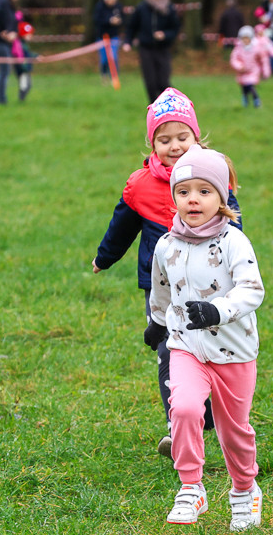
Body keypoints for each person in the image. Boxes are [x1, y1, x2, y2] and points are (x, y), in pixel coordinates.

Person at [92, 88, 242, 459]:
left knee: (213, 345)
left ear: (196, 136)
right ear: (152, 142)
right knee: (168, 348)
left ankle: (217, 412)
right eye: (164, 139)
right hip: (162, 285)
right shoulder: (140, 184)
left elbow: (234, 219)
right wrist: (104, 258)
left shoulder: (212, 170)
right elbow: (122, 226)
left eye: (182, 137)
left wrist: (236, 258)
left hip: (211, 281)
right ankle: (179, 423)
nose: (174, 146)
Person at [145, 144, 264, 531]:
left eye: (204, 191)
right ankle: (191, 487)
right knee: (182, 410)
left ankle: (244, 491)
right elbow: (161, 289)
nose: (193, 199)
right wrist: (157, 322)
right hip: (186, 348)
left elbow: (252, 290)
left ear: (222, 195)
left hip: (234, 352)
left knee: (234, 431)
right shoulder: (166, 245)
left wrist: (218, 310)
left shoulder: (233, 242)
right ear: (174, 196)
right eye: (183, 191)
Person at [124, 0, 182, 103]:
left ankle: (170, 106)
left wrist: (165, 35)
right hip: (146, 49)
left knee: (163, 82)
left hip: (163, 49)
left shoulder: (169, 8)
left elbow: (175, 28)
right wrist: (127, 41)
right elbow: (132, 26)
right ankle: (154, 108)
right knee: (150, 82)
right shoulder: (141, 8)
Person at [93, 0, 125, 82]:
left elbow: (124, 18)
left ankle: (114, 77)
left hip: (114, 36)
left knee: (113, 57)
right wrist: (109, 21)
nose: (112, 2)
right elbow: (96, 20)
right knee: (104, 59)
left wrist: (119, 21)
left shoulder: (118, 7)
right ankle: (104, 76)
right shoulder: (99, 7)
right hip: (102, 37)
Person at [230, 26, 263, 108]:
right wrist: (239, 66)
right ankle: (245, 98)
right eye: (244, 38)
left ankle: (256, 99)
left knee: (250, 86)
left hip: (253, 71)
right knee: (244, 87)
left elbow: (261, 58)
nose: (245, 40)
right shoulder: (238, 49)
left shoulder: (255, 48)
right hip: (242, 72)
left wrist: (263, 69)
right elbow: (234, 59)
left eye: (247, 38)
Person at [12, 10, 36, 101]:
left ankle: (21, 100)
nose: (31, 36)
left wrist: (35, 56)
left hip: (25, 68)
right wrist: (24, 67)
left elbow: (28, 54)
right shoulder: (19, 45)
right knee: (25, 85)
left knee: (27, 85)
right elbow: (22, 56)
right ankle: (21, 100)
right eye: (29, 34)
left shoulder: (23, 44)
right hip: (22, 69)